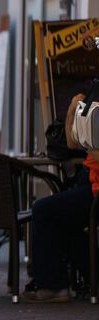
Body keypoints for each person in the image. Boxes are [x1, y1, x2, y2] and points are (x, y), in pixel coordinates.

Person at [22, 93, 98, 303]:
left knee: (44, 211)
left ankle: (53, 286)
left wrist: (91, 144)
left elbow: (85, 145)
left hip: (96, 190)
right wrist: (73, 110)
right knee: (60, 219)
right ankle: (91, 279)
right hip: (91, 182)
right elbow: (73, 143)